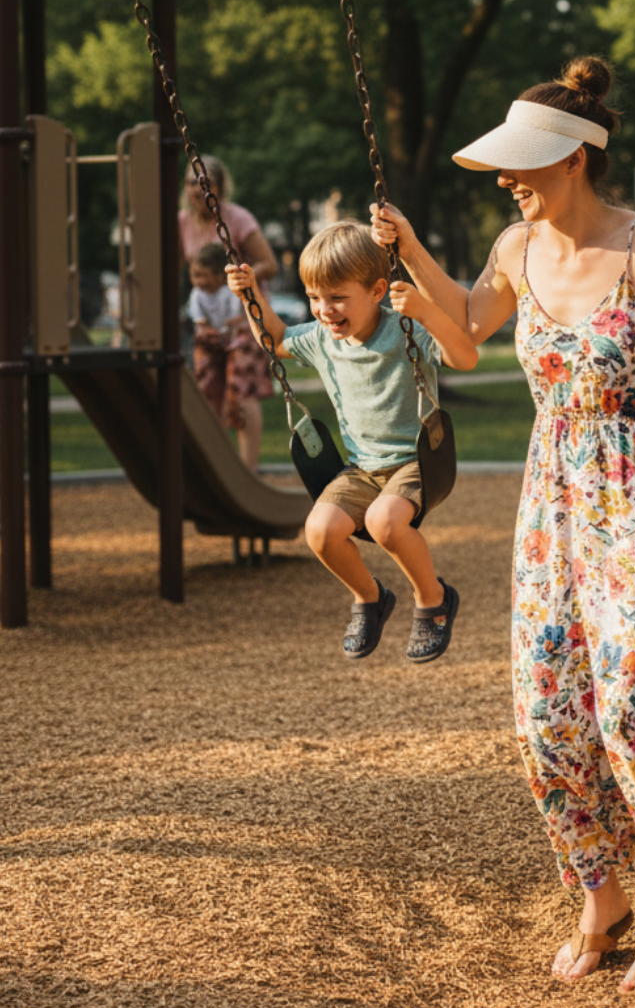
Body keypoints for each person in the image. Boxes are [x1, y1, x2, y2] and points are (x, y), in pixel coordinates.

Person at [371, 57, 635, 995]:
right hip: (553, 499)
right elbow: (467, 330)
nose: (507, 180)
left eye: (521, 164)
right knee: (549, 708)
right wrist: (408, 250)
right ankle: (601, 897)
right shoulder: (513, 248)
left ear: (573, 157)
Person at [227, 220, 478, 664]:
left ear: (378, 290)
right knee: (320, 531)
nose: (324, 310)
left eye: (337, 297)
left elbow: (465, 357)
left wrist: (426, 311)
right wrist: (251, 296)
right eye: (314, 298)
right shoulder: (323, 339)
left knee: (384, 522)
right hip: (362, 468)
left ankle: (433, 598)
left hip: (417, 462)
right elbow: (276, 340)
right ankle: (369, 597)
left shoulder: (406, 329)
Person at [180, 156, 278, 469]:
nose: (198, 189)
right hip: (210, 322)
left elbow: (270, 264)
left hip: (243, 318)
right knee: (208, 388)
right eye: (192, 182)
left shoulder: (237, 219)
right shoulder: (183, 223)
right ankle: (219, 470)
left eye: (205, 183)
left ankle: (248, 471)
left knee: (240, 390)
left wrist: (238, 280)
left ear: (220, 188)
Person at [188, 242, 253, 464]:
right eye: (194, 275)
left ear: (218, 276)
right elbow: (200, 323)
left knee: (236, 391)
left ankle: (234, 421)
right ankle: (214, 442)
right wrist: (210, 332)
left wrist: (228, 332)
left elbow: (237, 318)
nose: (197, 281)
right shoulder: (197, 295)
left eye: (202, 275)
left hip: (232, 340)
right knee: (207, 386)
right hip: (210, 343)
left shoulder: (229, 292)